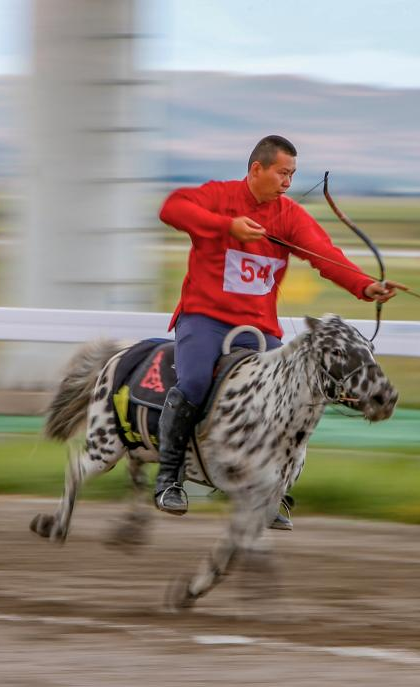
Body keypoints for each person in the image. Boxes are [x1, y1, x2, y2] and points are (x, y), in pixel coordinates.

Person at [155, 134, 399, 516]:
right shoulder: (219, 196)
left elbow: (325, 255)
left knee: (288, 393)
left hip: (260, 327)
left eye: (292, 174)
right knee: (195, 383)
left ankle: (271, 487)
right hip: (205, 319)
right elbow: (172, 209)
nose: (288, 182)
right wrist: (227, 226)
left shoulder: (290, 216)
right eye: (283, 173)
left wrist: (365, 286)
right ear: (257, 169)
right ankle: (169, 478)